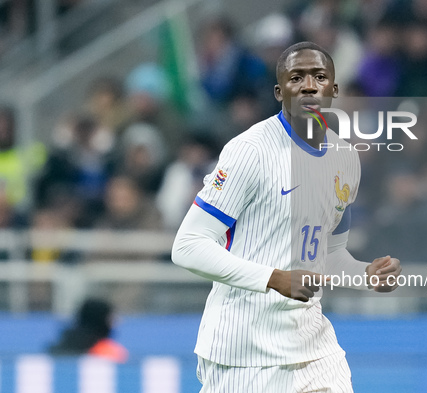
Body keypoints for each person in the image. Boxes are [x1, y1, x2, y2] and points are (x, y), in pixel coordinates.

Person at [172, 41, 401, 392]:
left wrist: (365, 274)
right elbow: (188, 245)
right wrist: (273, 278)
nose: (309, 85)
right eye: (297, 77)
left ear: (334, 89)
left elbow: (330, 255)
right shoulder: (249, 151)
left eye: (319, 76)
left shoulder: (345, 159)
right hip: (243, 351)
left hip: (313, 346)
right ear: (280, 92)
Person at [48, 298, 128, 363]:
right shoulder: (108, 352)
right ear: (102, 320)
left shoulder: (56, 349)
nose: (116, 322)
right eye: (111, 318)